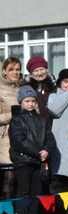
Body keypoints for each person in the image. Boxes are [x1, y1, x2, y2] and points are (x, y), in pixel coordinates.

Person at [10, 85, 57, 214]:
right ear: (21, 103)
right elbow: (19, 141)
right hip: (23, 161)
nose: (30, 104)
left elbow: (50, 138)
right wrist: (38, 152)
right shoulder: (17, 120)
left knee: (37, 191)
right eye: (26, 101)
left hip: (38, 161)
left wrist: (46, 150)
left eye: (32, 101)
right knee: (24, 191)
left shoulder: (41, 120)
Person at [1, 57, 22, 198]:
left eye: (18, 69)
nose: (15, 72)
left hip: (23, 138)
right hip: (5, 139)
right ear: (4, 72)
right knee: (8, 179)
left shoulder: (23, 88)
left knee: (20, 180)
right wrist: (13, 114)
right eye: (11, 69)